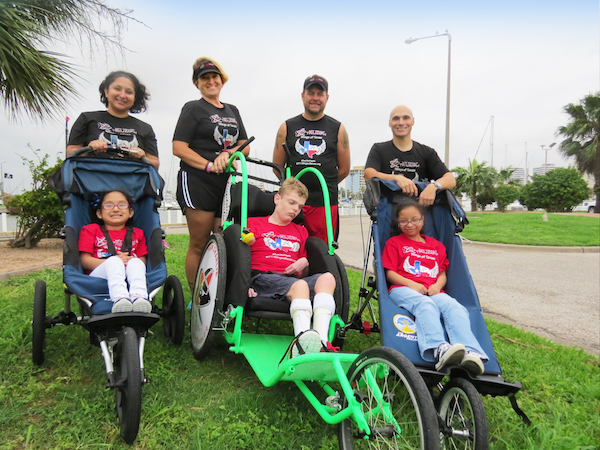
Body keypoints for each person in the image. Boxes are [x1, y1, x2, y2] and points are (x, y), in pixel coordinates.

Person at [382, 199, 488, 375]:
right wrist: (412, 284)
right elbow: (390, 273)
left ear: (423, 220)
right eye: (404, 221)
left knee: (455, 307)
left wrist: (438, 286)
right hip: (403, 288)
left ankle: (470, 351)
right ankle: (438, 348)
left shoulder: (436, 246)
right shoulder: (394, 243)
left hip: (432, 289)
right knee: (426, 305)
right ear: (398, 223)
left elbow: (441, 273)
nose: (409, 224)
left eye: (415, 219)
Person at [173, 57, 249, 291]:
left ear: (222, 79)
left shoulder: (232, 110)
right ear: (197, 83)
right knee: (200, 242)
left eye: (214, 76)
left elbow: (245, 145)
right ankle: (196, 299)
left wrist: (229, 154)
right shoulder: (193, 108)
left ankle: (215, 294)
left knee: (221, 242)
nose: (211, 81)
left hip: (225, 183)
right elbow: (178, 147)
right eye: (204, 78)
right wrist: (208, 164)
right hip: (198, 180)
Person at [246, 178, 338, 358]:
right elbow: (238, 257)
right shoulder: (252, 223)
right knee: (300, 286)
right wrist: (241, 286)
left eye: (300, 206)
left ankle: (321, 343)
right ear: (277, 199)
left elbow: (302, 275)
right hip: (262, 278)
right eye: (291, 202)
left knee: (328, 278)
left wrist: (304, 263)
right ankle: (302, 346)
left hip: (291, 281)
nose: (295, 209)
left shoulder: (300, 231)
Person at [273, 75, 350, 243]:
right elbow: (277, 167)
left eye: (320, 94)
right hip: (293, 201)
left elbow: (344, 169)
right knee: (290, 246)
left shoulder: (338, 128)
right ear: (303, 95)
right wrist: (294, 188)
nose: (315, 98)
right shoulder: (287, 126)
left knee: (322, 251)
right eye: (311, 93)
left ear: (326, 98)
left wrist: (323, 183)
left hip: (324, 202)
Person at [364, 105, 455, 206]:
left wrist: (433, 186)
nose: (401, 122)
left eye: (406, 118)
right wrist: (397, 178)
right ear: (390, 123)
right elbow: (369, 174)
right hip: (387, 215)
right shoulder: (379, 149)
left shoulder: (427, 152)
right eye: (396, 118)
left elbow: (450, 179)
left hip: (419, 216)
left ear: (413, 121)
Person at [67, 71, 159, 169]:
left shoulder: (145, 128)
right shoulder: (87, 118)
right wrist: (89, 149)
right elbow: (70, 152)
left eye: (129, 92)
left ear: (135, 97)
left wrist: (142, 156)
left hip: (132, 181)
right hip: (91, 179)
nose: (122, 95)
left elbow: (155, 163)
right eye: (117, 89)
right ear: (106, 91)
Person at [79, 190, 152, 314]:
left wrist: (127, 261)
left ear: (130, 213)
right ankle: (120, 298)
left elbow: (142, 260)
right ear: (99, 213)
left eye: (122, 205)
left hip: (129, 273)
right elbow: (84, 261)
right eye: (108, 205)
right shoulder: (91, 230)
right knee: (114, 261)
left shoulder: (137, 233)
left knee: (136, 262)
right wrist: (115, 261)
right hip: (98, 275)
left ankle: (139, 297)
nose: (116, 209)